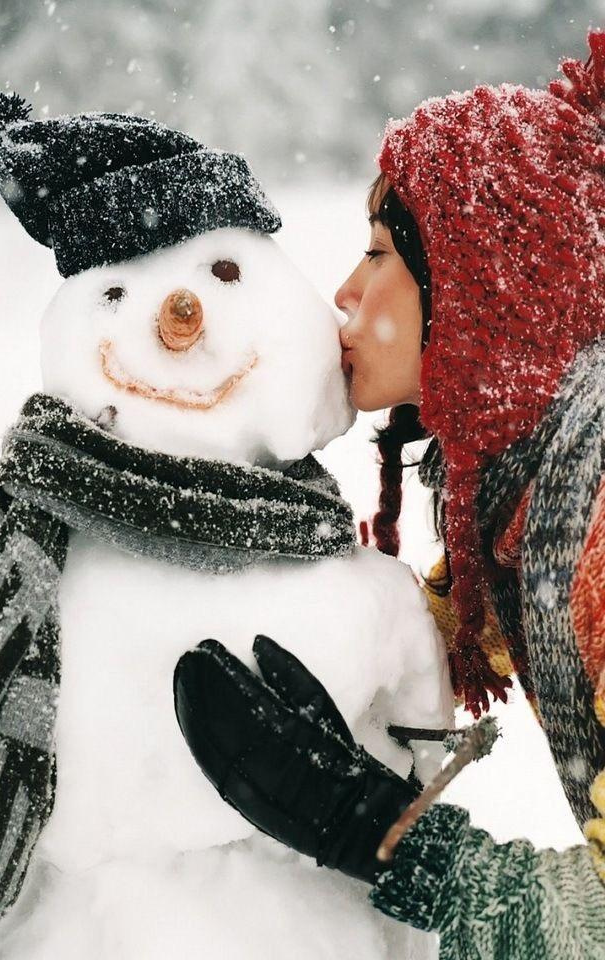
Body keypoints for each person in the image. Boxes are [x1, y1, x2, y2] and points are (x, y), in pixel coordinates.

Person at [174, 30, 605, 959]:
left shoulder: (592, 525)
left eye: (379, 253)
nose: (343, 289)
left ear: (477, 282)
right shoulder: (523, 496)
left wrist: (380, 837)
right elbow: (442, 626)